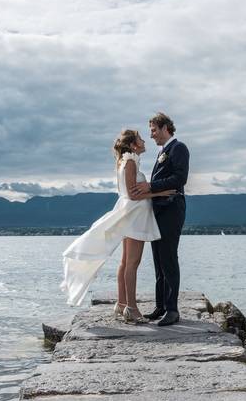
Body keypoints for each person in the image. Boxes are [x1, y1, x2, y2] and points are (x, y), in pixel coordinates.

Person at [61, 129, 176, 321]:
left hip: (132, 215)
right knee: (132, 263)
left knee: (125, 263)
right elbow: (132, 195)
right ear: (133, 145)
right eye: (140, 139)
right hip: (135, 216)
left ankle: (122, 303)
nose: (144, 140)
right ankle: (131, 308)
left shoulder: (127, 161)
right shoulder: (130, 162)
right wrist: (159, 193)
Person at [130, 112, 189, 327]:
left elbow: (180, 178)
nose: (152, 135)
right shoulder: (162, 152)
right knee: (158, 259)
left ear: (165, 128)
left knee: (168, 258)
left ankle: (172, 310)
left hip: (172, 208)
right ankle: (161, 306)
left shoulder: (179, 148)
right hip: (158, 210)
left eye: (154, 130)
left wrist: (151, 186)